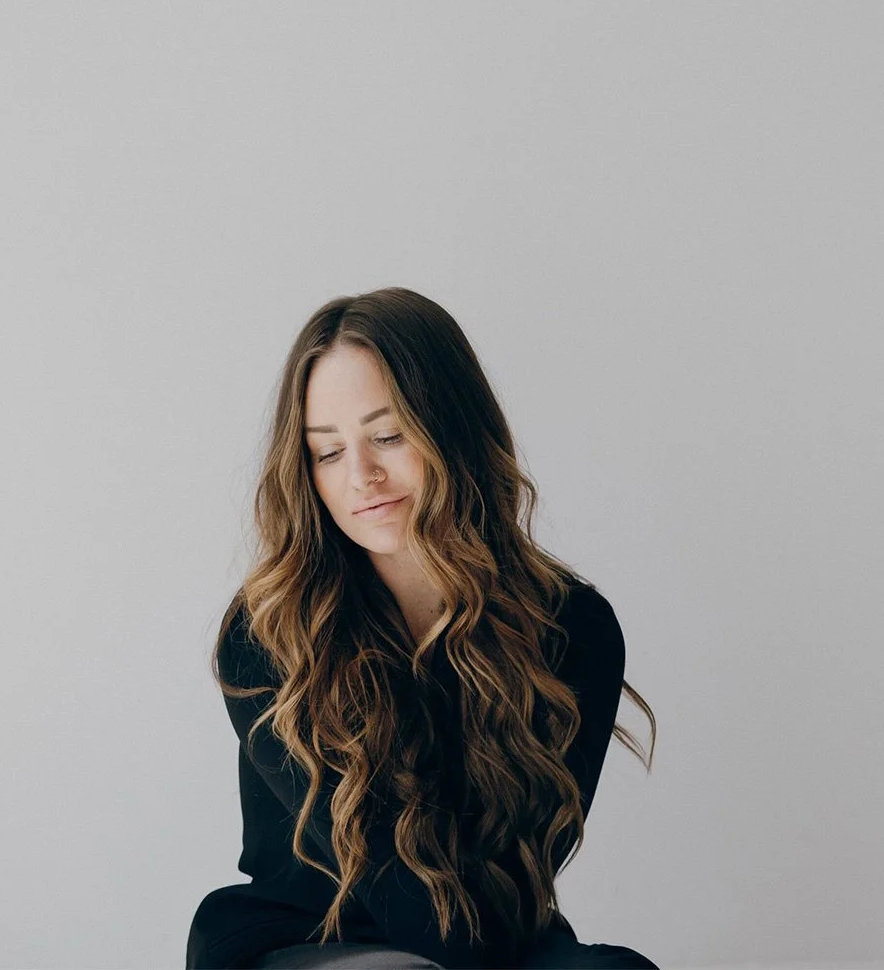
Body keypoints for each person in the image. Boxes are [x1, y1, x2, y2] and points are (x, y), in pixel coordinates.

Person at [187, 288, 659, 969]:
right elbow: (397, 891)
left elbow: (520, 888)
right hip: (308, 939)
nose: (362, 477)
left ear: (453, 428)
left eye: (387, 436)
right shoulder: (268, 630)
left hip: (494, 938)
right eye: (327, 452)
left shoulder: (572, 628)